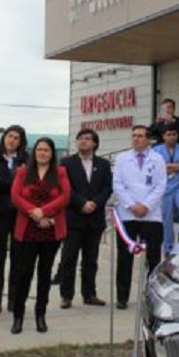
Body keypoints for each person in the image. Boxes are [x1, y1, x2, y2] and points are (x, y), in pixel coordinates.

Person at [9, 137, 70, 334]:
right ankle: (18, 316)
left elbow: (65, 197)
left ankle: (40, 315)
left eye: (46, 150)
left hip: (50, 230)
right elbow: (16, 196)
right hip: (27, 230)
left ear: (52, 153)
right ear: (34, 152)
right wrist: (33, 212)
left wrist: (44, 211)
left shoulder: (60, 172)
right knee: (23, 274)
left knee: (45, 275)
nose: (42, 153)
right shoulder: (22, 172)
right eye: (39, 149)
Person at [112, 125, 166, 309]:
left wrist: (146, 205)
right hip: (128, 215)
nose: (136, 139)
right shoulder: (121, 159)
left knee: (153, 258)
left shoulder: (158, 159)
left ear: (149, 139)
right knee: (124, 258)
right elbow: (118, 185)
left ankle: (152, 296)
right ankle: (122, 297)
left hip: (151, 215)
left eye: (140, 136)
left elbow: (161, 185)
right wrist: (132, 205)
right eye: (133, 136)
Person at [56, 128, 111, 309]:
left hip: (94, 219)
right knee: (68, 259)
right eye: (80, 138)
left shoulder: (103, 164)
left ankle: (89, 294)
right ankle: (66, 296)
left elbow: (107, 188)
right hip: (74, 218)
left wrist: (94, 203)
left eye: (87, 139)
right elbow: (65, 188)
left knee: (91, 260)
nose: (83, 141)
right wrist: (82, 203)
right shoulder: (67, 163)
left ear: (95, 143)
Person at [0, 125, 27, 315]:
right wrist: (13, 177)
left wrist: (2, 181)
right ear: (4, 138)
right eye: (10, 136)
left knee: (18, 257)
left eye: (16, 138)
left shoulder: (25, 159)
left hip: (19, 213)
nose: (12, 140)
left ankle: (13, 299)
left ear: (21, 141)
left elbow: (26, 186)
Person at [152, 124, 179, 254]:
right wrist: (178, 165)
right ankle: (168, 248)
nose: (172, 137)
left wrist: (168, 166)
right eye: (168, 134)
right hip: (164, 189)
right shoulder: (156, 150)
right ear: (163, 136)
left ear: (178, 135)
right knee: (166, 220)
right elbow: (156, 167)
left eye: (174, 134)